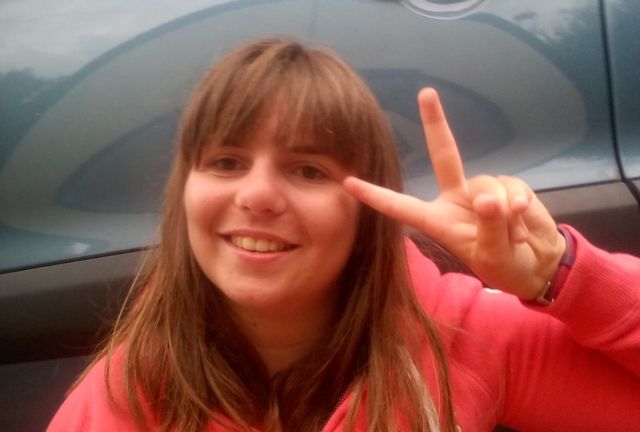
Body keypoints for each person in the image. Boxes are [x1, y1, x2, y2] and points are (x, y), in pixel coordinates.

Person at [47, 38, 640, 432]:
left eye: (308, 170)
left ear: (367, 214)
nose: (256, 195)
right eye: (225, 162)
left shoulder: (459, 339)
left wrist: (561, 274)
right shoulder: (126, 394)